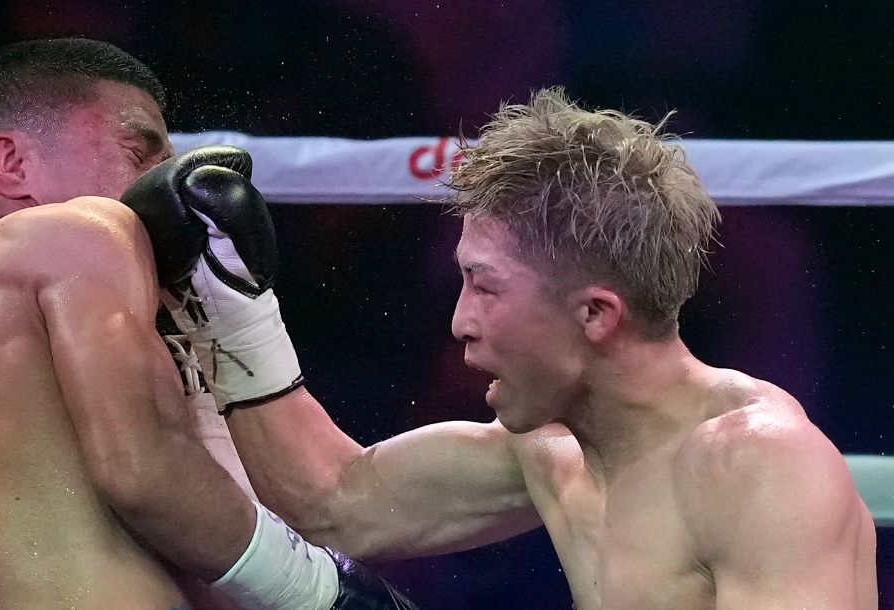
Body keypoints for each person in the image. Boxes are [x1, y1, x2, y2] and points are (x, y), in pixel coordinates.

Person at [160, 87, 879, 608]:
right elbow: (334, 501)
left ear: (595, 314)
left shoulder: (757, 466)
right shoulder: (554, 449)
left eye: (485, 286)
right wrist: (233, 308)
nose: (459, 323)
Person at [0, 37, 416, 610]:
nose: (162, 183)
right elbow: (142, 469)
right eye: (139, 153)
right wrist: (324, 591)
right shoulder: (79, 229)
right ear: (11, 164)